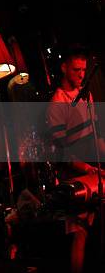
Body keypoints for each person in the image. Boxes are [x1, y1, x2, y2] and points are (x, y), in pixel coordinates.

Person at [46, 46, 104, 273]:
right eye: (76, 70)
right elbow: (62, 153)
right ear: (64, 68)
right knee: (80, 234)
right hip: (76, 176)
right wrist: (88, 168)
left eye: (84, 70)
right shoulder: (57, 104)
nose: (81, 74)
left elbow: (95, 136)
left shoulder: (86, 94)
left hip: (93, 169)